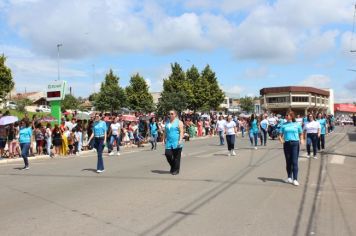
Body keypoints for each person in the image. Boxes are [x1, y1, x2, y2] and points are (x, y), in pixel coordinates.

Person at [279, 111, 304, 186]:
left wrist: (302, 139)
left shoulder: (297, 124)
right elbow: (280, 135)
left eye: (287, 115)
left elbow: (301, 133)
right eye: (286, 115)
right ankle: (289, 177)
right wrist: (281, 140)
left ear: (291, 116)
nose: (286, 116)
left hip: (295, 144)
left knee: (294, 162)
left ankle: (295, 179)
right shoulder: (283, 125)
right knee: (288, 161)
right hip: (286, 144)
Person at [163, 110, 184, 175]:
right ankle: (173, 166)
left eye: (172, 114)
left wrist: (180, 139)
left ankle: (176, 170)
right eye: (169, 114)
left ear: (175, 115)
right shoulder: (167, 122)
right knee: (167, 154)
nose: (170, 115)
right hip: (169, 142)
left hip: (176, 142)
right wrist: (163, 139)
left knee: (176, 157)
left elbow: (181, 131)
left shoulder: (179, 122)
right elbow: (165, 132)